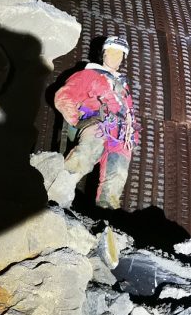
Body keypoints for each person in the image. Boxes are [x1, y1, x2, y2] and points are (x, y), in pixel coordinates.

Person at [52, 35, 139, 209]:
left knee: (117, 174)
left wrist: (133, 137)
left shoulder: (123, 85)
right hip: (98, 124)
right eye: (111, 52)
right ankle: (55, 195)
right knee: (85, 155)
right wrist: (77, 120)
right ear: (103, 54)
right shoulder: (88, 74)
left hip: (121, 135)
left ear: (123, 58)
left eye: (119, 54)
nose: (115, 57)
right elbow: (63, 96)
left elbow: (129, 111)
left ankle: (106, 213)